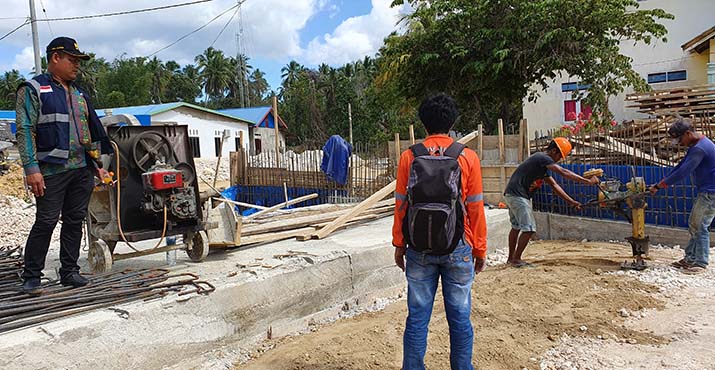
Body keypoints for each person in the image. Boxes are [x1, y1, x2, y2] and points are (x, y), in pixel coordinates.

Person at [392, 93, 487, 369]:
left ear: (423, 124)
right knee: (459, 318)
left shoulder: (409, 157)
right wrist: (479, 249)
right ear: (453, 122)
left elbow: (400, 206)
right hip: (458, 246)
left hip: (418, 248)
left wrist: (400, 244)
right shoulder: (468, 157)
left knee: (417, 317)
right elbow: (475, 209)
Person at [15, 37, 111, 295]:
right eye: (72, 60)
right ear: (55, 57)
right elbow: (24, 130)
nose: (76, 66)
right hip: (51, 170)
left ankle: (69, 272)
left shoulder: (79, 93)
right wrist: (31, 168)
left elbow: (88, 132)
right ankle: (32, 275)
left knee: (74, 220)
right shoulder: (33, 88)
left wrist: (97, 166)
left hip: (81, 169)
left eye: (78, 61)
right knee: (46, 221)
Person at [503, 137, 598, 267]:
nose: (559, 160)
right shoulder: (542, 157)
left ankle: (511, 258)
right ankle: (516, 259)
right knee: (529, 229)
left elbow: (555, 186)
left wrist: (571, 201)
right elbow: (563, 172)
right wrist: (587, 181)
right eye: (560, 157)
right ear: (554, 151)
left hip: (511, 194)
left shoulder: (541, 166)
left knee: (516, 227)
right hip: (518, 195)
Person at [650, 118, 715, 274]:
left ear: (688, 133)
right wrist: (661, 182)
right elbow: (680, 166)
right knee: (694, 223)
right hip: (707, 191)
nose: (679, 143)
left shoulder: (700, 149)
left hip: (711, 192)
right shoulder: (697, 145)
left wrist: (661, 186)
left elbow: (683, 172)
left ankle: (700, 262)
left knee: (699, 225)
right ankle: (690, 258)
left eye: (679, 139)